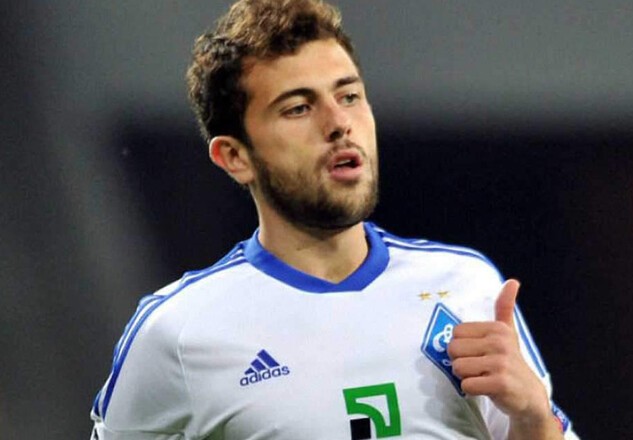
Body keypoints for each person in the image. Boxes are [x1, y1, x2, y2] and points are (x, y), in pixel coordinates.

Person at [90, 0, 579, 438]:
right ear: (235, 157)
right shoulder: (178, 332)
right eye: (298, 108)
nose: (338, 123)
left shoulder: (466, 285)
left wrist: (533, 418)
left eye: (348, 96)